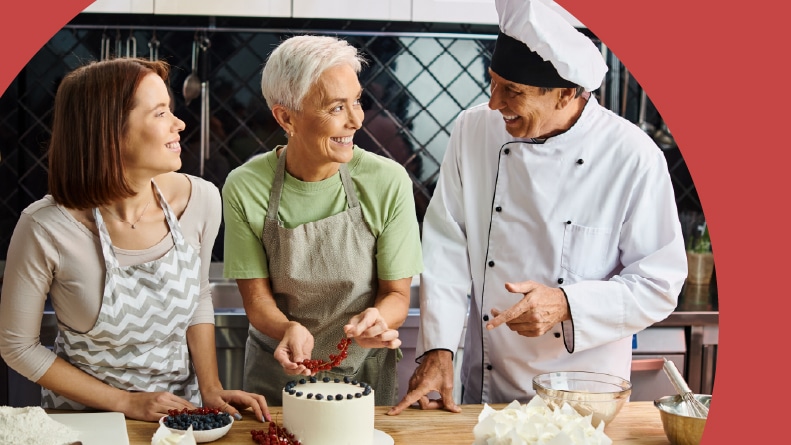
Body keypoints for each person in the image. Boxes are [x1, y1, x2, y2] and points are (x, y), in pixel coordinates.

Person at [388, 0, 687, 415]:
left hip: (583, 395)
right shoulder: (473, 130)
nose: (494, 104)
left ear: (567, 93)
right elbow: (447, 244)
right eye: (492, 83)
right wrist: (438, 348)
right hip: (486, 388)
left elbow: (659, 284)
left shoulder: (632, 157)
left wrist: (567, 304)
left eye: (513, 91)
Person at [0, 57, 270, 423]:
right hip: (84, 421)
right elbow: (17, 347)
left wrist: (211, 388)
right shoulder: (44, 227)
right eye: (160, 114)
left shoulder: (202, 200)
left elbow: (198, 296)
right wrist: (126, 402)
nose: (179, 124)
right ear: (110, 131)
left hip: (181, 420)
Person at [221, 35, 423, 406]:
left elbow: (396, 293)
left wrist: (378, 320)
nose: (356, 120)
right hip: (277, 380)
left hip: (363, 378)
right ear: (286, 117)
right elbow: (257, 299)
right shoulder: (245, 187)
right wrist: (287, 328)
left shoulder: (387, 181)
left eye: (357, 101)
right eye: (336, 108)